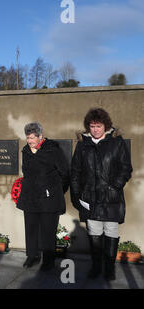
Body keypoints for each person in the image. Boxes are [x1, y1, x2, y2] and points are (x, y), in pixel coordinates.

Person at [70, 108, 132, 280]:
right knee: (94, 232)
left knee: (111, 230)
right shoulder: (83, 146)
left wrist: (115, 186)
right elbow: (75, 172)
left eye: (98, 126)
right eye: (92, 126)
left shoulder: (117, 143)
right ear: (88, 127)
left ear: (106, 126)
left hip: (112, 198)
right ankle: (96, 267)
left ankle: (109, 268)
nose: (95, 129)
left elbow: (126, 168)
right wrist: (76, 195)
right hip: (90, 198)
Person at [16, 122, 70, 271]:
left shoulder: (53, 150)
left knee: (48, 231)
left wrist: (55, 191)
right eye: (28, 138)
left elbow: (65, 173)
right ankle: (32, 256)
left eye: (33, 138)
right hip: (30, 198)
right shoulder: (26, 151)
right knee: (31, 229)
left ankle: (48, 261)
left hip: (48, 199)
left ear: (40, 136)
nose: (30, 141)